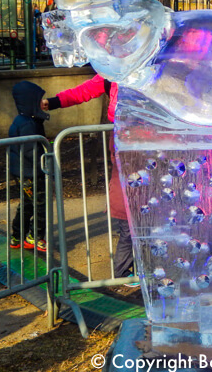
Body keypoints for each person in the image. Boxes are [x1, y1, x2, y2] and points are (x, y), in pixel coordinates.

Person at [41, 76, 139, 286]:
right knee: (127, 214)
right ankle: (123, 271)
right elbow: (84, 91)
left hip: (151, 141)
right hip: (125, 140)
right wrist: (54, 101)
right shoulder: (112, 75)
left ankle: (136, 267)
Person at [9, 81, 50, 252]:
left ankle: (17, 236)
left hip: (22, 171)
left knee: (26, 204)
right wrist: (45, 163)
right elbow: (30, 151)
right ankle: (35, 236)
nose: (43, 103)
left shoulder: (25, 120)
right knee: (40, 204)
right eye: (39, 100)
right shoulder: (28, 124)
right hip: (32, 172)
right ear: (30, 101)